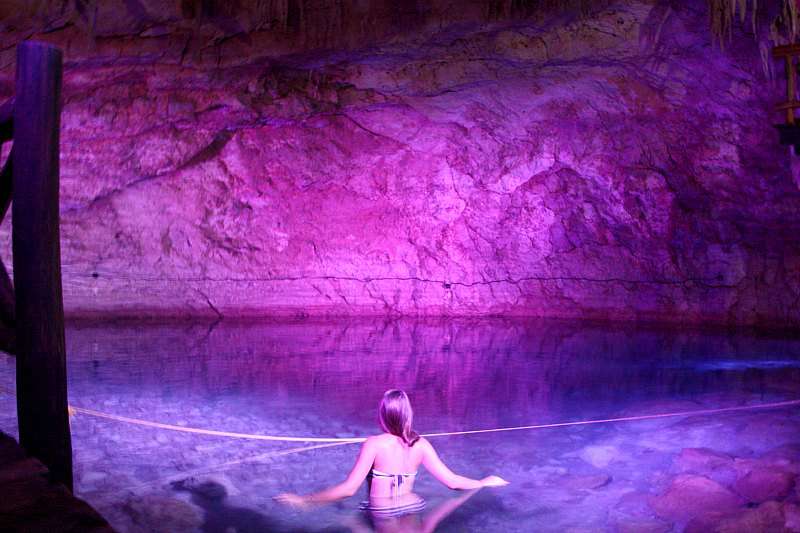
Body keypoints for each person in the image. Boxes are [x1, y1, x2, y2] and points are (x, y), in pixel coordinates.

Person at [275, 389, 508, 515]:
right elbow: (453, 481)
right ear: (408, 415)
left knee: (352, 522)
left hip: (382, 511)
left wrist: (305, 500)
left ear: (383, 416)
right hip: (414, 505)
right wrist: (484, 482)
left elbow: (349, 489)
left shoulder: (374, 444)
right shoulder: (422, 444)